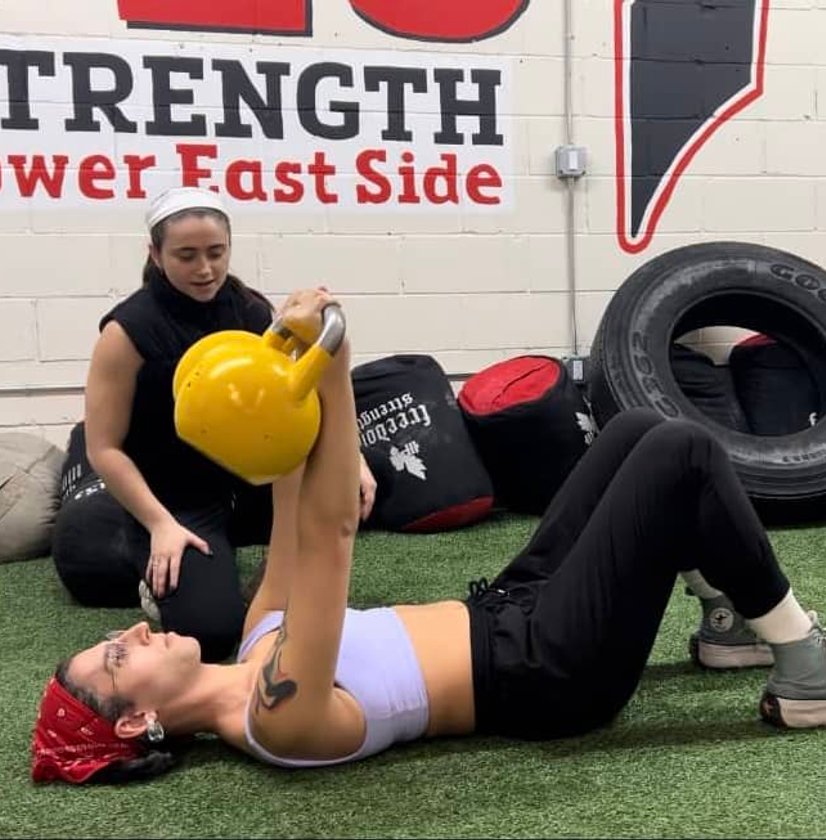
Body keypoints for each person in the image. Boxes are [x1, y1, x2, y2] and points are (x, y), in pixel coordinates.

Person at [31, 288, 826, 785]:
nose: (135, 630)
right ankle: (804, 662)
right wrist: (334, 363)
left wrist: (278, 381)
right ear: (136, 721)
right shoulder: (277, 722)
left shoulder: (250, 647)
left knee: (640, 429)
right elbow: (334, 529)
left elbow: (288, 497)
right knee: (681, 453)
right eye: (118, 655)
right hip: (550, 669)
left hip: (507, 608)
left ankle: (728, 623)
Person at [50, 191, 376, 664]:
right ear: (155, 254)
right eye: (186, 255)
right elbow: (103, 449)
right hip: (175, 501)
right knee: (214, 632)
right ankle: (155, 572)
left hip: (248, 480)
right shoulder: (126, 334)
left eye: (215, 253)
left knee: (345, 499)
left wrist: (353, 460)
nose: (204, 269)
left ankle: (273, 567)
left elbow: (293, 399)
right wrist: (161, 525)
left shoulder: (251, 311)